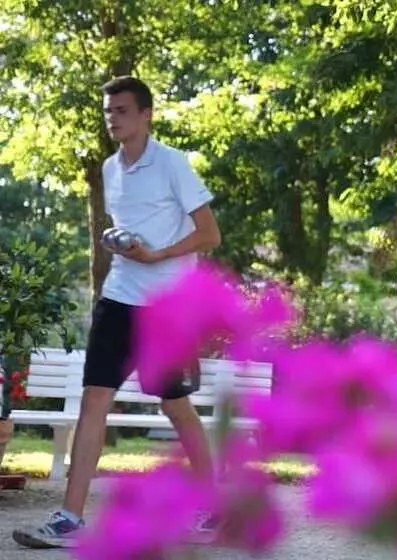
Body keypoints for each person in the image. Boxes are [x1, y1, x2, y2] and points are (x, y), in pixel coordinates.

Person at [13, 76, 222, 549]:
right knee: (94, 399)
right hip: (118, 296)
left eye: (123, 110)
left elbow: (210, 234)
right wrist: (118, 241)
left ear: (146, 114)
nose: (114, 118)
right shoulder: (110, 169)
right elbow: (128, 227)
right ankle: (70, 518)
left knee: (174, 405)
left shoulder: (172, 164)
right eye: (109, 111)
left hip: (166, 306)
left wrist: (157, 255)